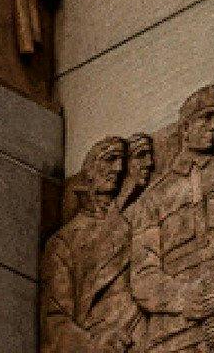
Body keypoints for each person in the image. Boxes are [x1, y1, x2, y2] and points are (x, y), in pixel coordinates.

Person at [129, 88, 214, 353]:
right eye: (206, 118)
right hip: (173, 335)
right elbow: (142, 278)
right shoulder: (153, 198)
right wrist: (183, 297)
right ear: (185, 128)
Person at [42, 137, 141, 353]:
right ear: (88, 171)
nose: (118, 169)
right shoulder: (64, 242)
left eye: (122, 161)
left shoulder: (137, 217)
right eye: (110, 159)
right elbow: (55, 321)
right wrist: (92, 344)